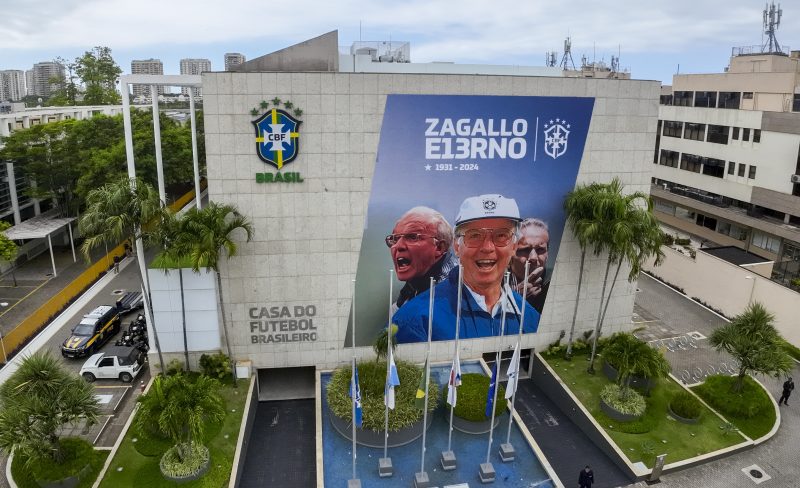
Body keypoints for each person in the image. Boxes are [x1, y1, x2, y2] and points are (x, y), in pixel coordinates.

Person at [393, 194, 539, 343]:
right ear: (457, 246)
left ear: (514, 246)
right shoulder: (414, 321)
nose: (487, 247)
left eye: (501, 235)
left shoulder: (529, 317)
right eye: (475, 235)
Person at [386, 207, 457, 313]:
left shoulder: (461, 294)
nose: (398, 246)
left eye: (412, 237)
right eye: (395, 239)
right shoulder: (403, 300)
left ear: (439, 247)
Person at [509, 218, 550, 314]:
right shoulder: (491, 285)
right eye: (525, 249)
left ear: (547, 253)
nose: (533, 257)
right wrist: (513, 298)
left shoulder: (556, 284)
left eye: (540, 250)